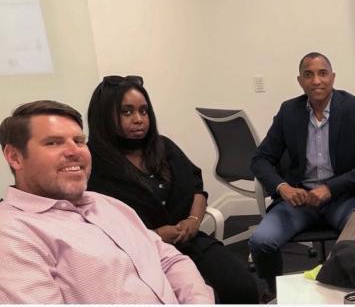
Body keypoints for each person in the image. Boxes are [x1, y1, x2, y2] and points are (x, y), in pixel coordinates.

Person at [0, 100, 213, 304]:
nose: (74, 151)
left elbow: (169, 260)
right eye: (53, 143)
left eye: (79, 141)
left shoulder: (106, 204)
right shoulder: (13, 235)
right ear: (15, 157)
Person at [85, 75, 258, 304]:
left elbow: (197, 187)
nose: (139, 119)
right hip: (135, 256)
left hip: (189, 240)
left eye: (144, 111)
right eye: (126, 112)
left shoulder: (162, 146)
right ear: (104, 115)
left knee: (242, 288)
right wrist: (155, 235)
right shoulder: (92, 164)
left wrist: (194, 220)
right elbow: (95, 227)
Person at [249, 52, 355, 299]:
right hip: (299, 201)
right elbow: (260, 159)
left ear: (333, 77)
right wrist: (283, 188)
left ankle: (353, 294)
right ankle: (273, 294)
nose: (316, 81)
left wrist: (331, 188)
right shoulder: (288, 111)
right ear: (300, 81)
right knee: (261, 242)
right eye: (308, 74)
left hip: (343, 198)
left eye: (322, 73)